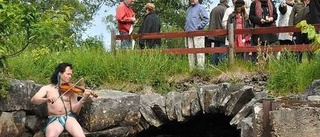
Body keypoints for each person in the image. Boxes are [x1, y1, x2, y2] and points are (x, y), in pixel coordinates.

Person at [30, 62, 93, 137]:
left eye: (71, 74)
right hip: (54, 118)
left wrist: (83, 99)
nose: (70, 76)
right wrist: (46, 99)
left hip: (69, 117)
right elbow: (34, 100)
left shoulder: (71, 89)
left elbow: (74, 110)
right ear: (60, 73)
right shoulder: (47, 88)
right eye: (68, 74)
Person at [185, 0, 209, 69]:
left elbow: (206, 19)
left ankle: (201, 69)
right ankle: (191, 69)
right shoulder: (188, 9)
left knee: (199, 52)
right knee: (190, 52)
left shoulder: (201, 8)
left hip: (198, 34)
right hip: (188, 33)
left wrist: (198, 27)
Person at [209, 0, 229, 66]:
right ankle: (221, 66)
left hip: (214, 34)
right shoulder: (225, 10)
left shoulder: (213, 9)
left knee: (215, 51)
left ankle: (214, 66)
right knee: (223, 51)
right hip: (222, 34)